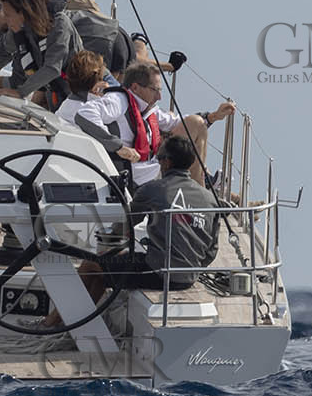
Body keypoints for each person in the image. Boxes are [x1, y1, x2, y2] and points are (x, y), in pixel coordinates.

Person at [63, 135, 221, 317]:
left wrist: (101, 242)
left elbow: (124, 226)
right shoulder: (209, 199)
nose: (159, 162)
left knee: (91, 264)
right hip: (188, 278)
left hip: (158, 273)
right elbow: (211, 251)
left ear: (167, 163)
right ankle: (81, 319)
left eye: (159, 158)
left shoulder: (153, 189)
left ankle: (51, 323)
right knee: (104, 268)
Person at [74, 61, 235, 188]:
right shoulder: (118, 100)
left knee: (196, 123)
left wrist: (213, 116)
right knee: (194, 128)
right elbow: (85, 114)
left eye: (160, 91)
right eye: (154, 90)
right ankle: (198, 198)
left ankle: (198, 191)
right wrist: (118, 147)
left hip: (153, 167)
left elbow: (178, 123)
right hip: (134, 174)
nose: (159, 97)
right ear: (135, 87)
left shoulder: (148, 108)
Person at [63, 0, 186, 77]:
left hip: (117, 50)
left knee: (136, 60)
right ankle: (139, 41)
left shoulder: (83, 29)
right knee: (135, 59)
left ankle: (140, 42)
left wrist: (170, 66)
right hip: (118, 46)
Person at [55, 50, 108, 127]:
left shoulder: (66, 105)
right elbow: (108, 138)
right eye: (101, 79)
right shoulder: (89, 111)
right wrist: (108, 98)